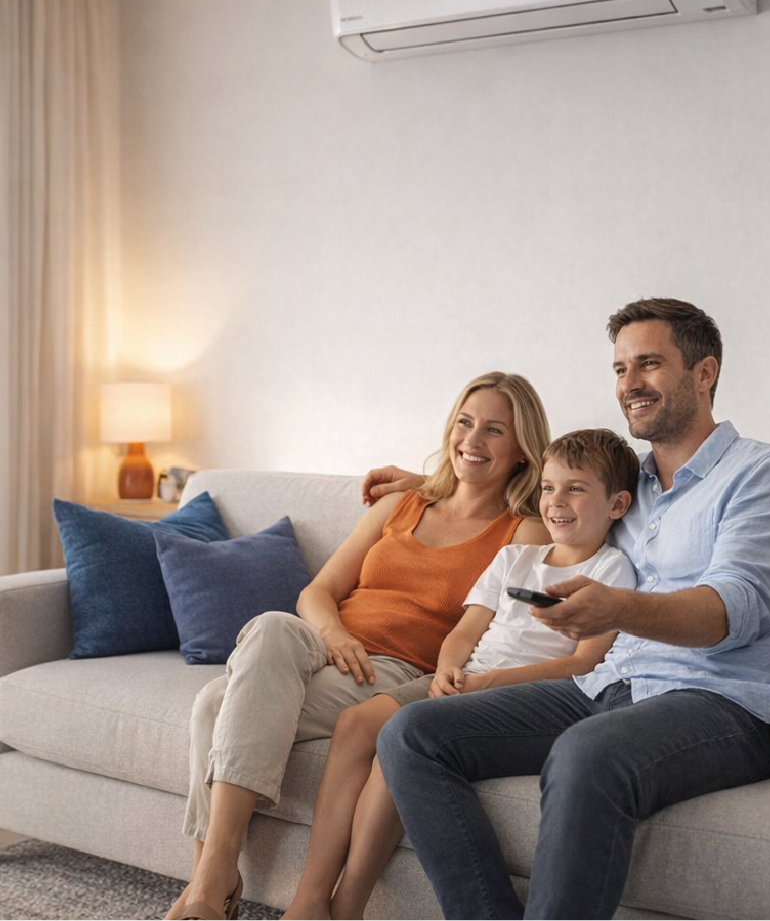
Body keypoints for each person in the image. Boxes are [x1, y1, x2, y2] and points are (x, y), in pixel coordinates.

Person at [373, 298, 770, 921]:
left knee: (587, 753)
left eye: (648, 365)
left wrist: (618, 606)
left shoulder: (767, 476)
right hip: (606, 686)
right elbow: (545, 487)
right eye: (619, 369)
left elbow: (731, 612)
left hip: (718, 704)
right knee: (411, 732)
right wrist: (429, 487)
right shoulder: (626, 487)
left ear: (705, 374)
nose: (629, 384)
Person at [163, 372, 552, 921]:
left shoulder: (524, 530)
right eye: (465, 423)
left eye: (494, 430)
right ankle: (215, 875)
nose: (473, 439)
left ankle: (205, 888)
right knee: (273, 625)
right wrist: (334, 633)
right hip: (325, 644)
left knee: (212, 703)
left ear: (521, 449)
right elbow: (318, 591)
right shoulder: (402, 505)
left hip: (393, 669)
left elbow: (515, 623)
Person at [280, 428, 639, 921]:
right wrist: (449, 668)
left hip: (520, 693)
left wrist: (484, 684)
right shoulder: (517, 556)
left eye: (575, 488)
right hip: (462, 678)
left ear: (617, 505)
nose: (556, 501)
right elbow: (465, 631)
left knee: (396, 749)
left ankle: (348, 906)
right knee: (355, 724)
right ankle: (310, 900)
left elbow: (584, 664)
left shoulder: (612, 572)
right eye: (550, 487)